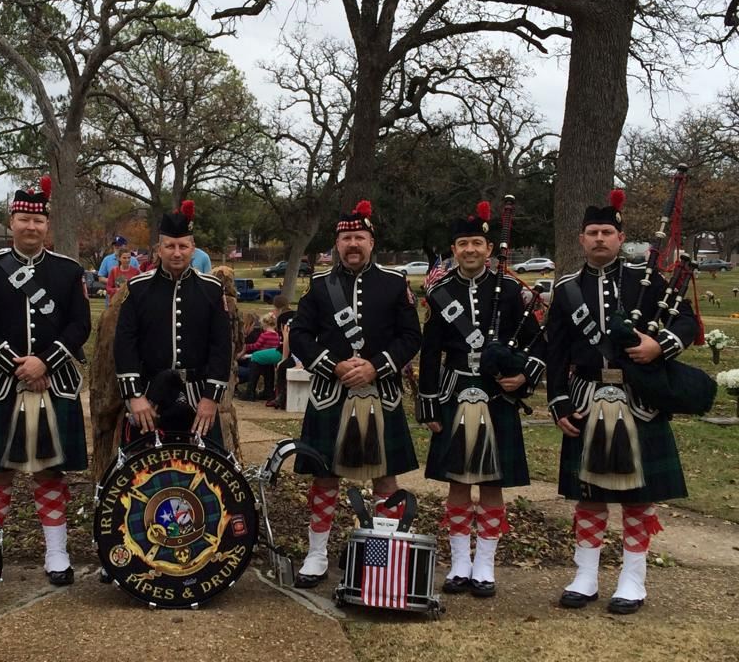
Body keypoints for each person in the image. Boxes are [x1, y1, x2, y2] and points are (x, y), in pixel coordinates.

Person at [546, 191, 696, 614]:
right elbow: (555, 351)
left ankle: (633, 578)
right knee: (589, 493)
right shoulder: (566, 289)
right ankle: (586, 575)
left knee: (637, 495)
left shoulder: (644, 278)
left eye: (606, 232)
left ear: (619, 236)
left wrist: (658, 345)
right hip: (587, 398)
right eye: (592, 233)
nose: (599, 239)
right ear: (581, 239)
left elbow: (686, 320)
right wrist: (558, 401)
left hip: (639, 399)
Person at [0, 175, 91, 587]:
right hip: (0, 383)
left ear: (47, 225)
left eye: (39, 222)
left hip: (55, 382)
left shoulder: (68, 271)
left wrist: (44, 362)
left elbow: (80, 324)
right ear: (11, 221)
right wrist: (18, 365)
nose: (31, 228)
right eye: (23, 220)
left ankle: (57, 552)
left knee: (51, 472)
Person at [289, 200, 422, 588]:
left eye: (359, 237)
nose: (353, 244)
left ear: (371, 241)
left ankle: (380, 555)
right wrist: (334, 365)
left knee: (384, 479)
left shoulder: (395, 284)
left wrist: (376, 365)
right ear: (337, 243)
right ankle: (316, 554)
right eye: (346, 237)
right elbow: (298, 335)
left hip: (382, 394)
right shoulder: (318, 286)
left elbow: (412, 337)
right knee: (324, 476)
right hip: (332, 393)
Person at [416, 201, 546, 598]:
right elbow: (430, 351)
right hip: (455, 391)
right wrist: (429, 404)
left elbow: (538, 343)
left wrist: (524, 376)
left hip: (496, 396)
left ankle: (485, 565)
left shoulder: (509, 291)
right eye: (462, 243)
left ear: (489, 249)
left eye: (476, 243)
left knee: (492, 483)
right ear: (453, 249)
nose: (469, 250)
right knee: (457, 482)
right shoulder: (441, 293)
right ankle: (459, 563)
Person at [114, 200, 231, 445]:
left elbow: (221, 348)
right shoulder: (137, 288)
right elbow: (125, 345)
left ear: (193, 248)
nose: (176, 252)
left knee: (207, 475)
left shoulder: (211, 289)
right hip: (149, 396)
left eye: (182, 246)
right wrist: (134, 396)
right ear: (159, 248)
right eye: (169, 246)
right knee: (143, 474)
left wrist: (211, 399)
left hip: (199, 396)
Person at [239, 312, 281, 401]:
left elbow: (257, 346)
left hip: (261, 357)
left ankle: (250, 391)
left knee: (255, 361)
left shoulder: (264, 335)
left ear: (264, 324)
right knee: (269, 373)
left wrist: (247, 346)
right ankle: (268, 392)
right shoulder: (277, 335)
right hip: (271, 359)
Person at [98, 236, 139, 306]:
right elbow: (100, 278)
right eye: (115, 245)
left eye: (119, 245)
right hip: (113, 298)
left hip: (129, 300)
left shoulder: (134, 261)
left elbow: (138, 280)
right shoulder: (107, 259)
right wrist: (116, 282)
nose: (116, 247)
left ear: (125, 246)